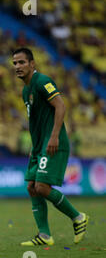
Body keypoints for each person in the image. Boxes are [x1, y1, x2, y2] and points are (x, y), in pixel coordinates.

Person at [12, 47, 88, 246]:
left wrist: (54, 136)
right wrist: (35, 146)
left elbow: (60, 106)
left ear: (32, 64)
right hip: (39, 146)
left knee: (42, 187)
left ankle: (78, 217)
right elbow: (36, 121)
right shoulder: (26, 90)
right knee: (32, 187)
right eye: (15, 63)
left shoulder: (42, 82)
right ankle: (45, 235)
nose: (17, 66)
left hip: (52, 142)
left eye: (21, 62)